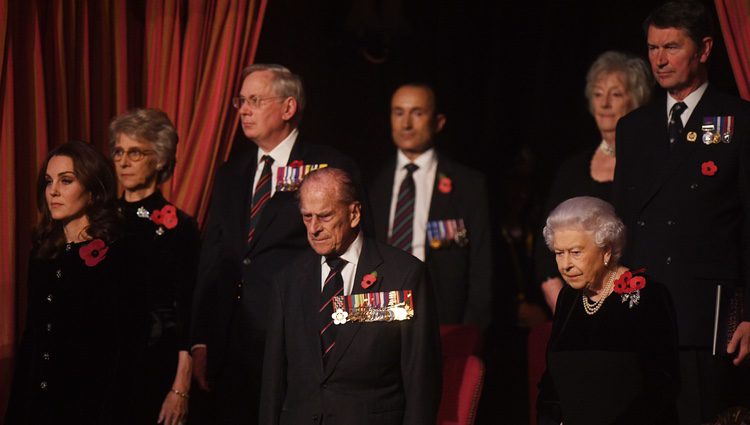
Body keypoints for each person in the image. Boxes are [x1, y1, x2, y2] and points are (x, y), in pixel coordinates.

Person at [190, 64, 364, 425]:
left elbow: (350, 256)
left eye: (255, 100)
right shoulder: (230, 172)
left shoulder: (328, 167)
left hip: (296, 335)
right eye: (241, 101)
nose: (244, 110)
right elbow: (214, 258)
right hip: (232, 341)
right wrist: (201, 338)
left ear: (288, 108)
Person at [613, 1, 750, 422]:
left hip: (707, 314)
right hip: (643, 309)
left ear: (704, 49)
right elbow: (623, 220)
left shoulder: (739, 120)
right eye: (653, 48)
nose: (659, 59)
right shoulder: (634, 128)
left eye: (671, 47)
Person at [259, 167, 442, 425]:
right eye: (306, 217)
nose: (313, 229)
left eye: (324, 216)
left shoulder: (403, 276)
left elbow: (422, 382)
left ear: (354, 214)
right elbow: (272, 384)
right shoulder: (287, 280)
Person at [6, 140, 139, 424]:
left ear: (93, 191)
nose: (53, 191)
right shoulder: (44, 253)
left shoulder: (118, 254)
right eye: (48, 182)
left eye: (66, 181)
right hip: (38, 405)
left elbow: (127, 347)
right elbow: (33, 339)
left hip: (88, 408)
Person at [536, 196, 679, 425]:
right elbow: (552, 386)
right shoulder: (569, 297)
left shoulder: (647, 296)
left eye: (575, 252)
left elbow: (661, 386)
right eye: (558, 253)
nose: (565, 265)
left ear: (607, 250)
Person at [535, 51, 653, 314]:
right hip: (576, 304)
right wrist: (566, 308)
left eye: (616, 94)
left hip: (632, 300)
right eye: (598, 94)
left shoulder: (650, 165)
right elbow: (546, 246)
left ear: (636, 100)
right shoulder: (572, 169)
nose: (605, 103)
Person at [369, 82, 493, 330]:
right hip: (379, 316)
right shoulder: (371, 183)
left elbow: (482, 268)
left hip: (440, 318)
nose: (406, 124)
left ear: (438, 122)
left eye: (417, 113)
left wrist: (470, 331)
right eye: (398, 112)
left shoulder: (468, 185)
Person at [109, 108, 200, 425]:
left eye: (135, 153)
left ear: (160, 159)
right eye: (119, 151)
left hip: (153, 364)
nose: (123, 161)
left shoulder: (180, 227)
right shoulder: (97, 220)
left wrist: (181, 387)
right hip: (99, 362)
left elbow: (188, 310)